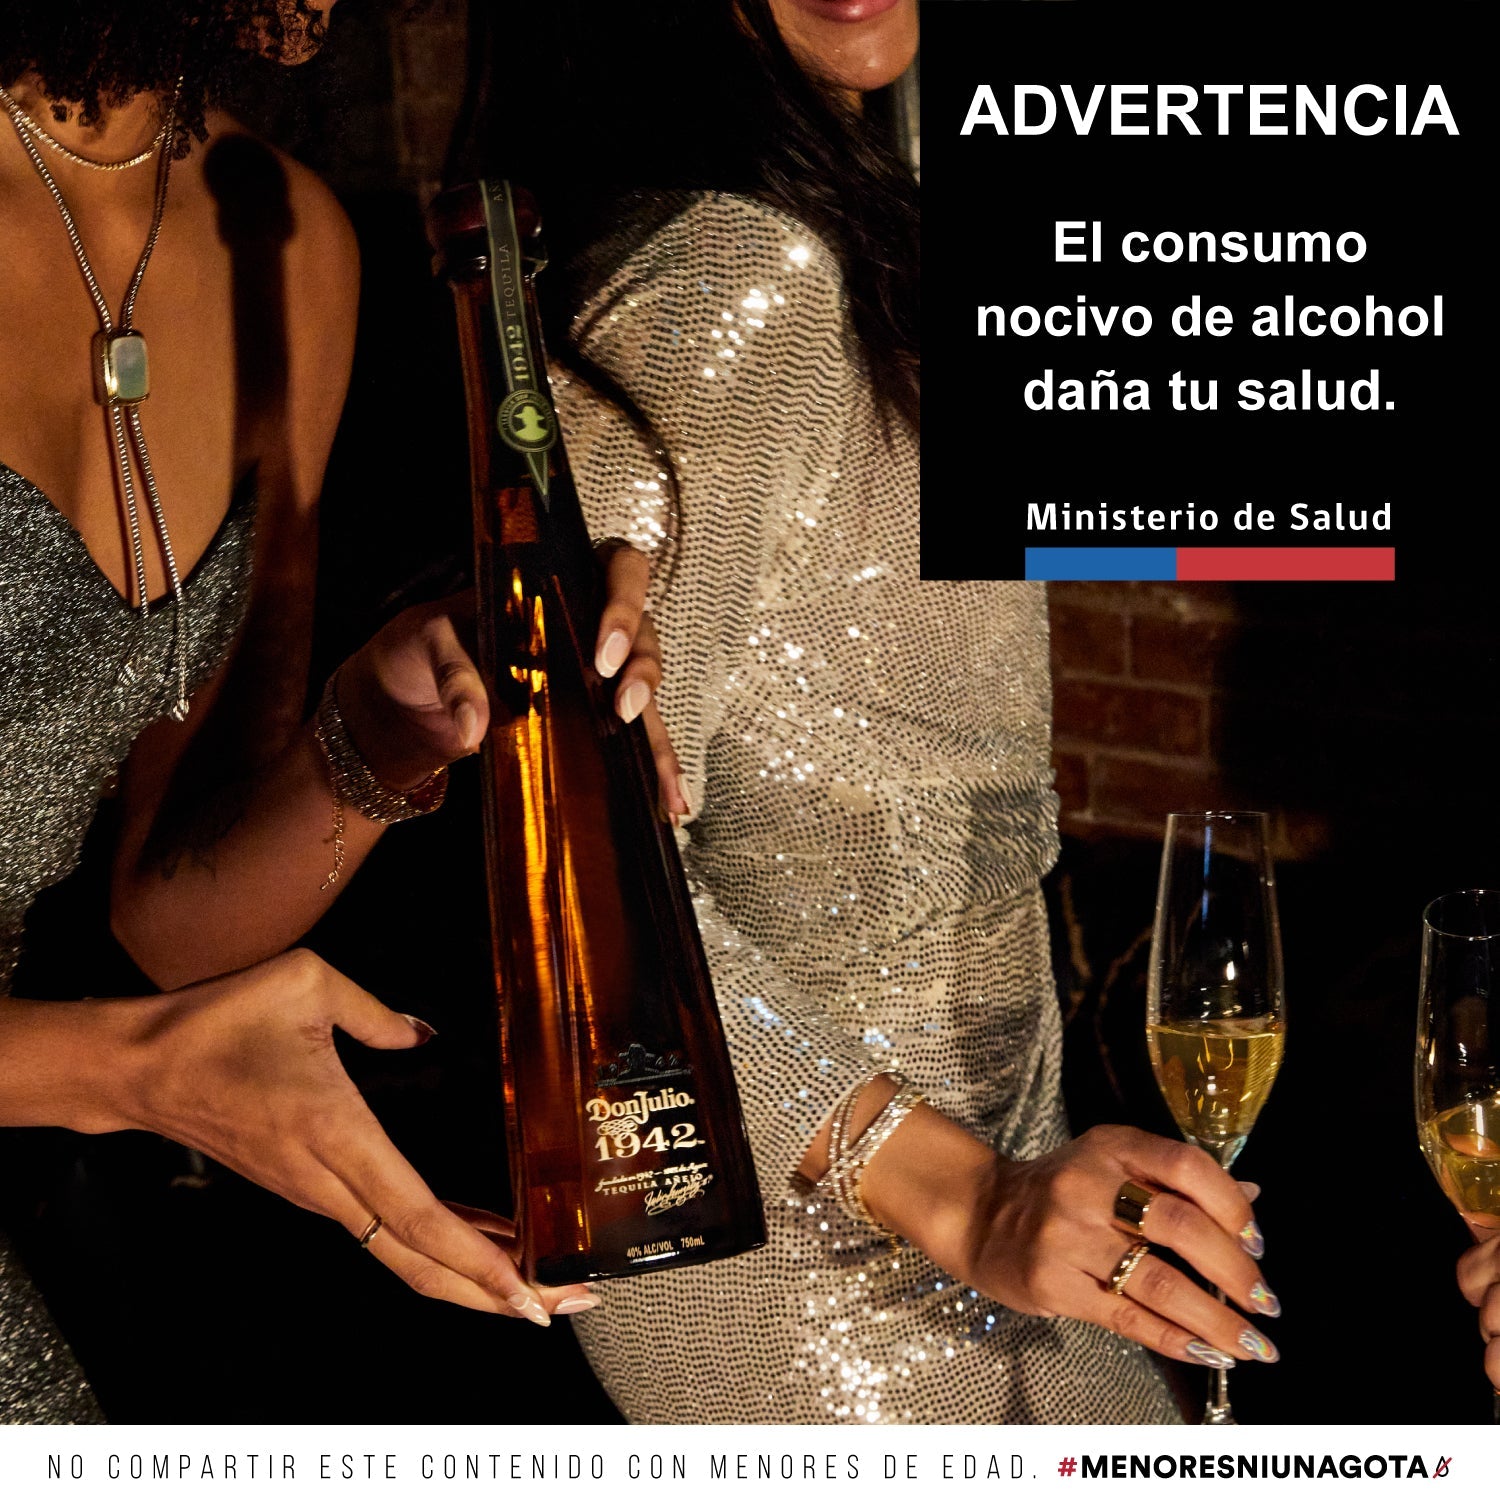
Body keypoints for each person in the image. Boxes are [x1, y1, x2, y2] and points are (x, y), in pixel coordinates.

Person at [471, 0, 1277, 1423]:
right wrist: (960, 1194)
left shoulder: (844, 224)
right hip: (822, 1250)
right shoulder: (738, 271)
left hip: (1006, 1161)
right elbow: (580, 894)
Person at [0, 0, 672, 1422]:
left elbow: (170, 921)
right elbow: (141, 1041)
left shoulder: (286, 238)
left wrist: (378, 736)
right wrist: (124, 1071)